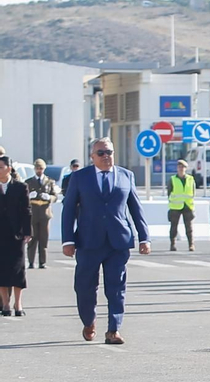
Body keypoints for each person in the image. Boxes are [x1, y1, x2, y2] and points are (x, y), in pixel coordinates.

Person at [60, 138, 151, 343]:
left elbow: (136, 208)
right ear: (92, 157)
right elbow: (68, 211)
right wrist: (68, 240)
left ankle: (113, 329)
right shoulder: (80, 177)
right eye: (100, 153)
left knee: (116, 287)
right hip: (88, 242)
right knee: (84, 287)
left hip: (117, 242)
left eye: (109, 152)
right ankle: (89, 321)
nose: (105, 156)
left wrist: (144, 237)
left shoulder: (126, 176)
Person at [0, 157, 29, 315]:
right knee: (1, 269)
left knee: (18, 269)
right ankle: (5, 305)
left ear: (9, 168)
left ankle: (18, 304)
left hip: (16, 234)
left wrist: (27, 231)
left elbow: (26, 210)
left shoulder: (20, 187)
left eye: (1, 167)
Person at [25, 160, 57, 269]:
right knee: (32, 238)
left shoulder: (49, 182)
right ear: (34, 169)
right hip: (33, 212)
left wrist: (49, 198)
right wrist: (29, 196)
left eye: (41, 169)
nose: (39, 171)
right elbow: (23, 197)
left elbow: (55, 196)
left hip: (45, 213)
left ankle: (42, 262)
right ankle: (30, 261)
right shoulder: (28, 182)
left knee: (44, 238)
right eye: (38, 168)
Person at [166, 159, 197, 252]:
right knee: (173, 227)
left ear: (186, 168)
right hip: (175, 206)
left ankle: (191, 244)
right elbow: (169, 192)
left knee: (189, 227)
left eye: (183, 167)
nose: (181, 169)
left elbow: (193, 191)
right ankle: (172, 244)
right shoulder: (172, 179)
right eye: (179, 167)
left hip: (187, 206)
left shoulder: (190, 179)